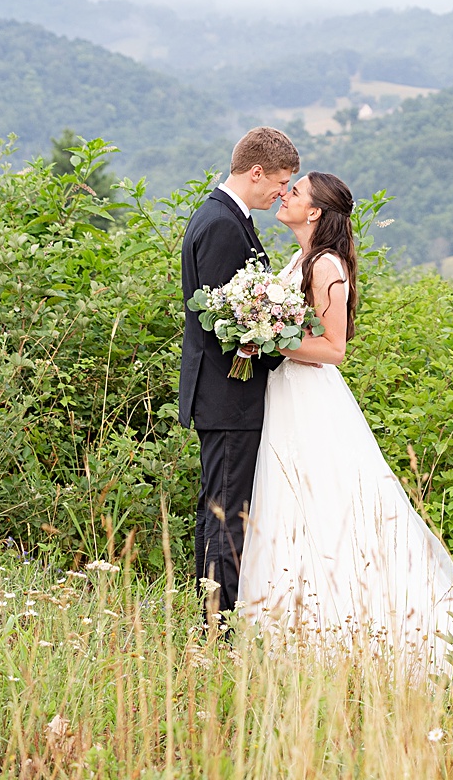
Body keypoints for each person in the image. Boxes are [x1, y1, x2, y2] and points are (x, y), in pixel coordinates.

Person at [236, 170, 453, 675]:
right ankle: (290, 624)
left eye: (295, 192)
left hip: (311, 397)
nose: (285, 195)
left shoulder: (325, 266)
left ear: (316, 211)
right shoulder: (301, 259)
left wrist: (268, 339)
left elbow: (334, 349)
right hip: (286, 395)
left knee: (329, 502)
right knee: (291, 502)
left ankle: (357, 624)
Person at [179, 125, 300, 620]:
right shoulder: (224, 225)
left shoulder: (224, 216)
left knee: (219, 507)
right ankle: (216, 624)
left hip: (224, 395)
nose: (283, 192)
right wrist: (278, 348)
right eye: (281, 181)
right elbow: (227, 323)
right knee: (227, 512)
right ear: (256, 172)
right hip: (229, 396)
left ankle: (210, 616)